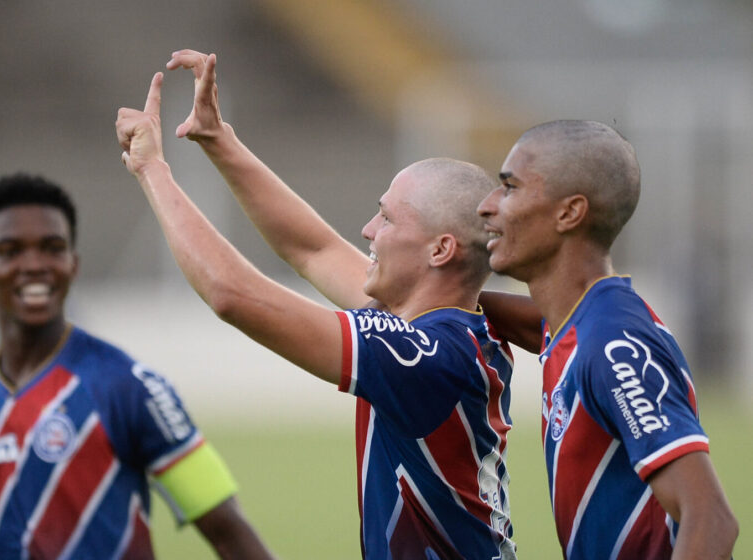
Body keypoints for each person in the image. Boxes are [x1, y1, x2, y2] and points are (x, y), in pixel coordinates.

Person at [117, 57, 519, 558]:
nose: (369, 230)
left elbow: (233, 295)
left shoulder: (424, 357)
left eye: (388, 218)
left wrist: (152, 169)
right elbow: (314, 250)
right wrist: (218, 139)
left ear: (440, 251)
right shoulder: (440, 326)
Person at [0, 174, 274, 560]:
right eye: (11, 250)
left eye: (52, 248)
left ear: (74, 264)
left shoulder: (129, 388)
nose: (34, 265)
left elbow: (230, 534)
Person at [477, 120, 738, 559]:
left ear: (569, 213)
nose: (486, 206)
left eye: (509, 187)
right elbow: (480, 312)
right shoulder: (574, 324)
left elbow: (711, 520)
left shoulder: (613, 343)